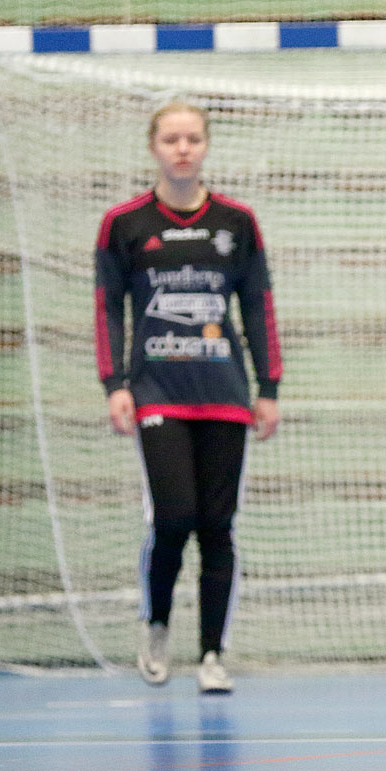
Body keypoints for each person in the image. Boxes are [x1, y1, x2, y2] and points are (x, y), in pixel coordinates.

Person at [94, 101, 283, 694]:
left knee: (217, 525)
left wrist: (268, 387)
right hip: (156, 393)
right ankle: (156, 624)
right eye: (171, 138)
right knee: (174, 516)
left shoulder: (237, 222)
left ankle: (211, 654)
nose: (182, 148)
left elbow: (257, 305)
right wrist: (115, 384)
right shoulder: (125, 224)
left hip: (224, 393)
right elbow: (108, 308)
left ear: (205, 147)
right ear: (154, 146)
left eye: (193, 139)